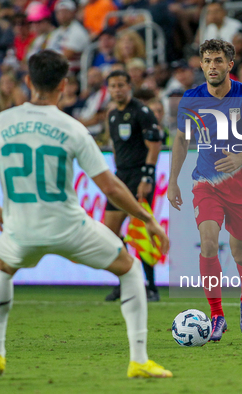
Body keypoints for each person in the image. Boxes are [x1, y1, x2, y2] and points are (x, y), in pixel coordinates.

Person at [0, 50, 172, 379]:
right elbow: (111, 188)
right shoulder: (72, 128)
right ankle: (138, 360)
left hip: (19, 231)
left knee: (3, 270)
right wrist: (147, 219)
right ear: (63, 85)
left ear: (27, 81)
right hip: (70, 228)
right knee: (130, 269)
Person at [168, 39, 242, 342]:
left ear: (230, 65)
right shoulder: (191, 99)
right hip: (206, 184)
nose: (212, 66)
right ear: (200, 65)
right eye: (207, 61)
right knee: (209, 245)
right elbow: (180, 140)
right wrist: (173, 179)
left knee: (241, 255)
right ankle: (216, 314)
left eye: (217, 60)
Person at [103, 70, 163, 302]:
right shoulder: (112, 114)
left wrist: (147, 177)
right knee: (110, 233)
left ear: (129, 86)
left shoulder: (142, 111)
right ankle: (125, 281)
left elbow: (154, 145)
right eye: (113, 86)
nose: (117, 89)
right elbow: (116, 148)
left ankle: (151, 286)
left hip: (139, 175)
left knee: (142, 230)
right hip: (121, 177)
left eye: (121, 85)